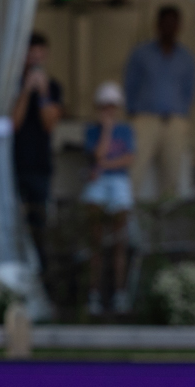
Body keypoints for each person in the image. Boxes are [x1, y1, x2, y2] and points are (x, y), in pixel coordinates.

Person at [123, 5, 195, 200]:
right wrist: (133, 113)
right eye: (166, 23)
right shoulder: (141, 53)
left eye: (174, 23)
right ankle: (126, 223)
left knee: (172, 176)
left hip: (174, 120)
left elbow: (189, 90)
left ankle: (166, 225)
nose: (169, 27)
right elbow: (130, 84)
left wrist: (182, 115)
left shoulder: (186, 57)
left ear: (179, 26)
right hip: (145, 118)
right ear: (157, 25)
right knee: (135, 172)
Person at [10, 32, 63, 274]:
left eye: (40, 54)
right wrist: (25, 92)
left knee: (39, 221)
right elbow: (13, 124)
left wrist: (42, 94)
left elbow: (49, 123)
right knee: (14, 221)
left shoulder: (53, 87)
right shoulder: (11, 84)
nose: (35, 59)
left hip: (40, 164)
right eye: (31, 55)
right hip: (14, 162)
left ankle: (40, 273)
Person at [79, 81, 135, 315]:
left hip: (119, 183)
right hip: (98, 185)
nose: (109, 111)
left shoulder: (127, 131)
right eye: (105, 106)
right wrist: (106, 130)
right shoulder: (91, 131)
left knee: (120, 242)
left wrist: (104, 164)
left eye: (112, 106)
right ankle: (94, 295)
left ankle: (120, 294)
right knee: (96, 242)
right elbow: (97, 154)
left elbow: (128, 160)